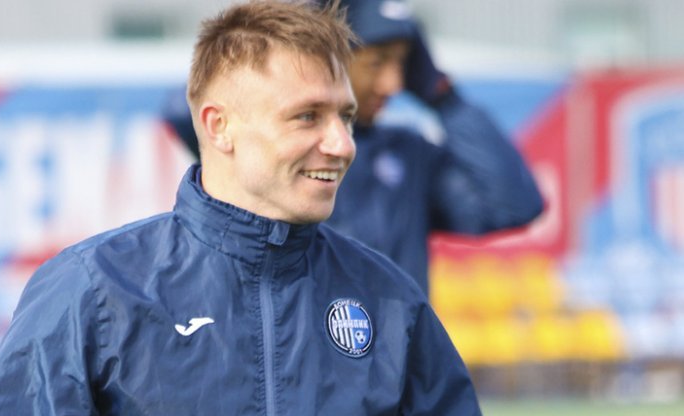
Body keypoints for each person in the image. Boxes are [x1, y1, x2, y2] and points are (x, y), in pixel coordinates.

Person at [0, 1, 494, 416]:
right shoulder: (91, 291)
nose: (341, 144)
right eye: (307, 116)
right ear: (219, 126)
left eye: (345, 117)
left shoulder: (391, 301)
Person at [162, 0, 544, 296]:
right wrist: (297, 23)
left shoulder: (409, 154)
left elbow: (513, 206)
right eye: (377, 63)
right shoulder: (271, 146)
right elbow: (184, 110)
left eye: (404, 64)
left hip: (388, 367)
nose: (394, 83)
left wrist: (443, 96)